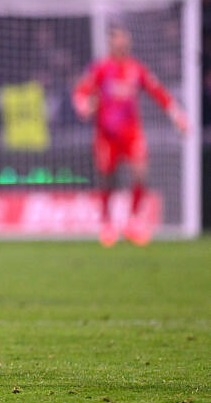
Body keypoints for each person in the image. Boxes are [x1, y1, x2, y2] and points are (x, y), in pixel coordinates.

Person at [72, 26, 187, 247]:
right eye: (117, 39)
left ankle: (133, 222)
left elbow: (158, 92)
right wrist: (83, 106)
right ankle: (107, 223)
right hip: (106, 134)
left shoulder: (137, 69)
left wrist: (177, 115)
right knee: (107, 178)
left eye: (124, 38)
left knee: (140, 173)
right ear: (110, 43)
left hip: (131, 133)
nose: (122, 43)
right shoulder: (100, 69)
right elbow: (80, 91)